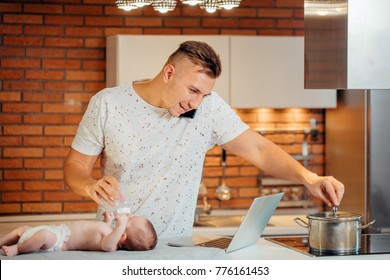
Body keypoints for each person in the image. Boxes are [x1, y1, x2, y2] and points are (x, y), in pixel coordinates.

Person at [64, 40, 345, 239]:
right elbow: (75, 167)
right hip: (113, 241)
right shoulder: (108, 103)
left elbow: (258, 149)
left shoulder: (208, 108)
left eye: (204, 95)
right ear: (169, 72)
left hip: (176, 248)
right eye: (192, 90)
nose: (196, 102)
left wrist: (309, 178)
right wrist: (90, 186)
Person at [0, 212, 157, 257]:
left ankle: (18, 249)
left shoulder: (112, 244)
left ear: (122, 236)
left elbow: (106, 246)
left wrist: (119, 226)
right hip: (58, 230)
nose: (128, 216)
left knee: (42, 236)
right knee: (23, 229)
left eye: (130, 220)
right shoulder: (109, 232)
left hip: (59, 241)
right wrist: (107, 222)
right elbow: (97, 233)